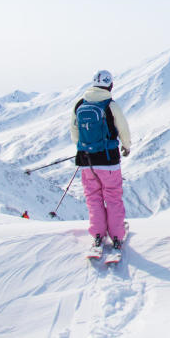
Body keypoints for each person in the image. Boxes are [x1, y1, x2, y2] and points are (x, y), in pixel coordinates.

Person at [70, 70, 131, 257]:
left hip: (87, 161)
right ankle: (117, 236)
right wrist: (126, 147)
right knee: (112, 197)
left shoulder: (79, 104)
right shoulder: (111, 105)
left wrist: (86, 148)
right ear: (110, 85)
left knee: (93, 198)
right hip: (109, 160)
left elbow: (74, 132)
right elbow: (123, 129)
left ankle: (97, 234)